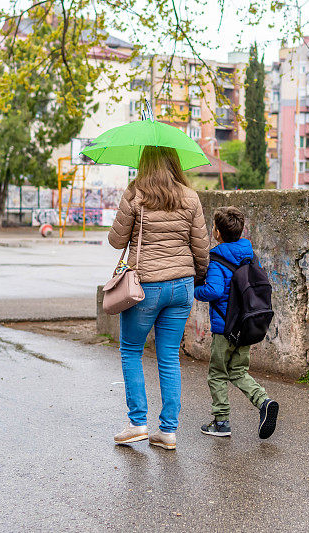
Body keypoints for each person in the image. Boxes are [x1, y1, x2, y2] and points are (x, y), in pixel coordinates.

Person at [108, 146, 209, 451]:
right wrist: (197, 275)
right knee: (168, 357)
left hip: (146, 286)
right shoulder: (190, 197)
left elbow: (116, 241)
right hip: (182, 287)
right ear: (174, 161)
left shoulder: (136, 194)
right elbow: (201, 248)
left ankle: (138, 424)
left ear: (143, 163)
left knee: (130, 351)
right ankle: (167, 431)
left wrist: (129, 201)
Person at [194, 206, 279, 439]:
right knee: (239, 370)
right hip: (246, 324)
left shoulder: (218, 257)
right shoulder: (248, 253)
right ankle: (264, 402)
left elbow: (213, 290)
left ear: (217, 232)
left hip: (224, 327)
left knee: (218, 374)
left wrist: (195, 290)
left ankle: (221, 422)